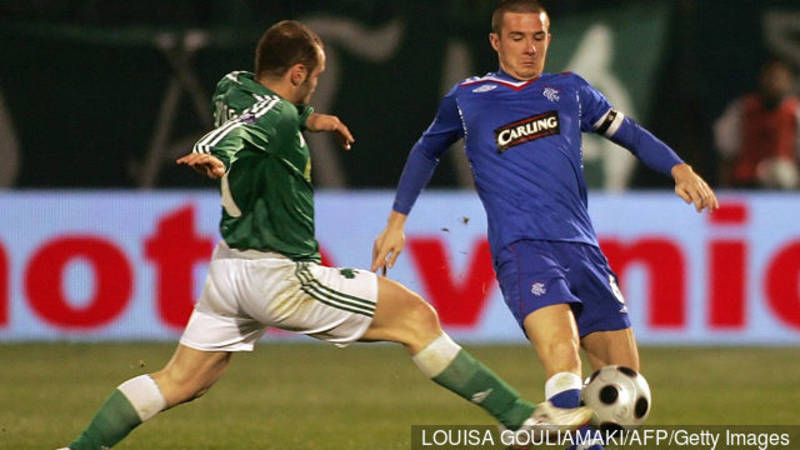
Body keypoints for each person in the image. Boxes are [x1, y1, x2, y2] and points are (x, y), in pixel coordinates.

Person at [60, 19, 592, 450]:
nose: (314, 85)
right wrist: (211, 153)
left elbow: (258, 112)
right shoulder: (267, 122)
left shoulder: (232, 85)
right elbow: (237, 131)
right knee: (415, 318)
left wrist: (311, 118)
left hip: (228, 270)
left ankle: (79, 448)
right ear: (297, 72)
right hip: (278, 277)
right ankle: (525, 419)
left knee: (181, 380)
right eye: (312, 78)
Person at [372, 1, 718, 447]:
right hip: (523, 248)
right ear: (496, 42)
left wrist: (679, 168)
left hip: (583, 249)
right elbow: (426, 151)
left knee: (622, 384)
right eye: (517, 38)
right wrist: (396, 221)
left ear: (549, 39)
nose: (529, 48)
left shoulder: (571, 90)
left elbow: (629, 132)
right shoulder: (468, 98)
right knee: (562, 353)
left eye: (538, 37)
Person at [714, 58, 800, 189]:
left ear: (789, 82)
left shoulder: (795, 112)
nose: (773, 83)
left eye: (779, 79)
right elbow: (725, 151)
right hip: (747, 179)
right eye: (770, 77)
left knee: (781, 172)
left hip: (786, 182)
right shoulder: (743, 108)